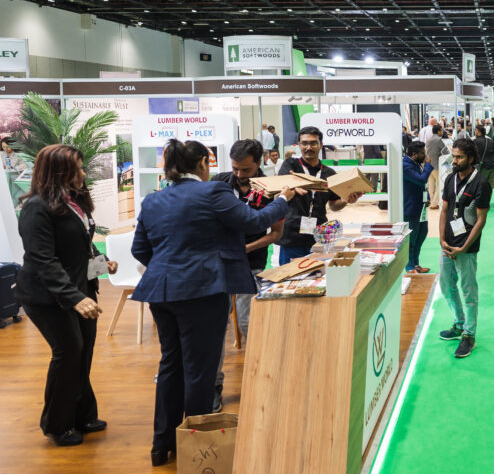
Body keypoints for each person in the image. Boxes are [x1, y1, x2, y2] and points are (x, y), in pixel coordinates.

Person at [131, 140, 294, 466]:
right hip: (203, 291)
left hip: (161, 292)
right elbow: (252, 222)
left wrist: (169, 269)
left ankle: (162, 444)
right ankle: (197, 448)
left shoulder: (154, 199)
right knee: (200, 371)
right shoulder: (213, 192)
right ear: (204, 163)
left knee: (170, 365)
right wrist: (283, 200)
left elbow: (140, 250)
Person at [15, 145, 118, 447]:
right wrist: (74, 297)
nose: (83, 174)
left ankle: (82, 415)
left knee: (83, 352)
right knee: (69, 351)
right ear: (59, 171)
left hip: (78, 287)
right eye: (78, 168)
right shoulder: (36, 207)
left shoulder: (72, 201)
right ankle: (57, 425)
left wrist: (101, 261)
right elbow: (43, 260)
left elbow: (81, 241)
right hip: (47, 296)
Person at [211, 139, 284, 412]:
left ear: (259, 163)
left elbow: (276, 234)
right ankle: (214, 386)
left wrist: (246, 248)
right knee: (216, 328)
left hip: (251, 265)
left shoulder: (272, 188)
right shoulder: (219, 183)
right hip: (218, 266)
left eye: (246, 170)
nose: (240, 174)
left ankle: (259, 381)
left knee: (250, 323)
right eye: (236, 169)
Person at [275, 127, 364, 265]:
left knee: (319, 275)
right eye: (304, 143)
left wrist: (345, 200)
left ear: (321, 145)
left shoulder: (329, 173)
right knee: (289, 275)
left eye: (313, 143)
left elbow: (333, 205)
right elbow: (280, 190)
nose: (308, 147)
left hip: (320, 237)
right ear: (299, 145)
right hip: (292, 236)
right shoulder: (290, 166)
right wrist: (291, 186)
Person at [437, 138, 491, 359]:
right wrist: (442, 239)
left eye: (459, 157)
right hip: (447, 243)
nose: (455, 160)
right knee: (446, 284)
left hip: (466, 247)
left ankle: (469, 334)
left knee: (469, 291)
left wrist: (464, 247)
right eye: (454, 156)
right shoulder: (450, 179)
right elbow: (444, 210)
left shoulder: (481, 184)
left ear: (470, 158)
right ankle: (459, 323)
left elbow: (480, 220)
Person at [402, 141, 433, 274]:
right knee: (411, 239)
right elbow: (421, 180)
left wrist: (428, 197)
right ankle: (409, 267)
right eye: (422, 153)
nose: (425, 156)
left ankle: (416, 264)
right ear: (414, 154)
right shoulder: (405, 166)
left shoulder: (415, 164)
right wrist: (428, 165)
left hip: (421, 208)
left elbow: (422, 185)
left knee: (421, 235)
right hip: (410, 208)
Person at [425, 124, 444, 209]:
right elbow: (446, 151)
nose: (442, 132)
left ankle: (432, 202)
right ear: (439, 131)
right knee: (440, 184)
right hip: (436, 165)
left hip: (428, 165)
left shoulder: (428, 140)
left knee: (431, 185)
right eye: (441, 130)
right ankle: (434, 203)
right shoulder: (439, 140)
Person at [474, 124, 494, 189]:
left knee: (481, 186)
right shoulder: (490, 140)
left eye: (475, 130)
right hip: (492, 165)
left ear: (478, 131)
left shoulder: (475, 142)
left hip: (483, 166)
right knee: (490, 186)